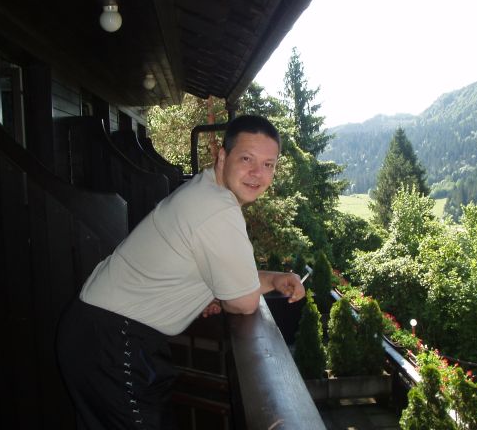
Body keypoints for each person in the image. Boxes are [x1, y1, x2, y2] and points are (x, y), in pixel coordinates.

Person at [56, 114, 305, 430]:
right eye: (247, 159)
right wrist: (232, 293)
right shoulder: (217, 208)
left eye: (268, 164)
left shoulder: (205, 189)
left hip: (102, 335)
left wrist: (272, 279)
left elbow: (224, 276)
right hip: (114, 343)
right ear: (222, 157)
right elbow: (243, 303)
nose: (258, 173)